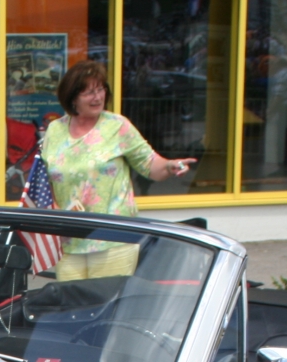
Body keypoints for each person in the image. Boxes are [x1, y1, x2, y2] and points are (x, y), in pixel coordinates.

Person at [36, 60, 196, 279]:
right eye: (89, 92)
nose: (97, 97)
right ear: (73, 97)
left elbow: (150, 165)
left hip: (113, 238)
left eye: (100, 89)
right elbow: (46, 179)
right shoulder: (55, 130)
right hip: (70, 238)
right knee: (71, 308)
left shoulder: (118, 126)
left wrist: (169, 166)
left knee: (108, 308)